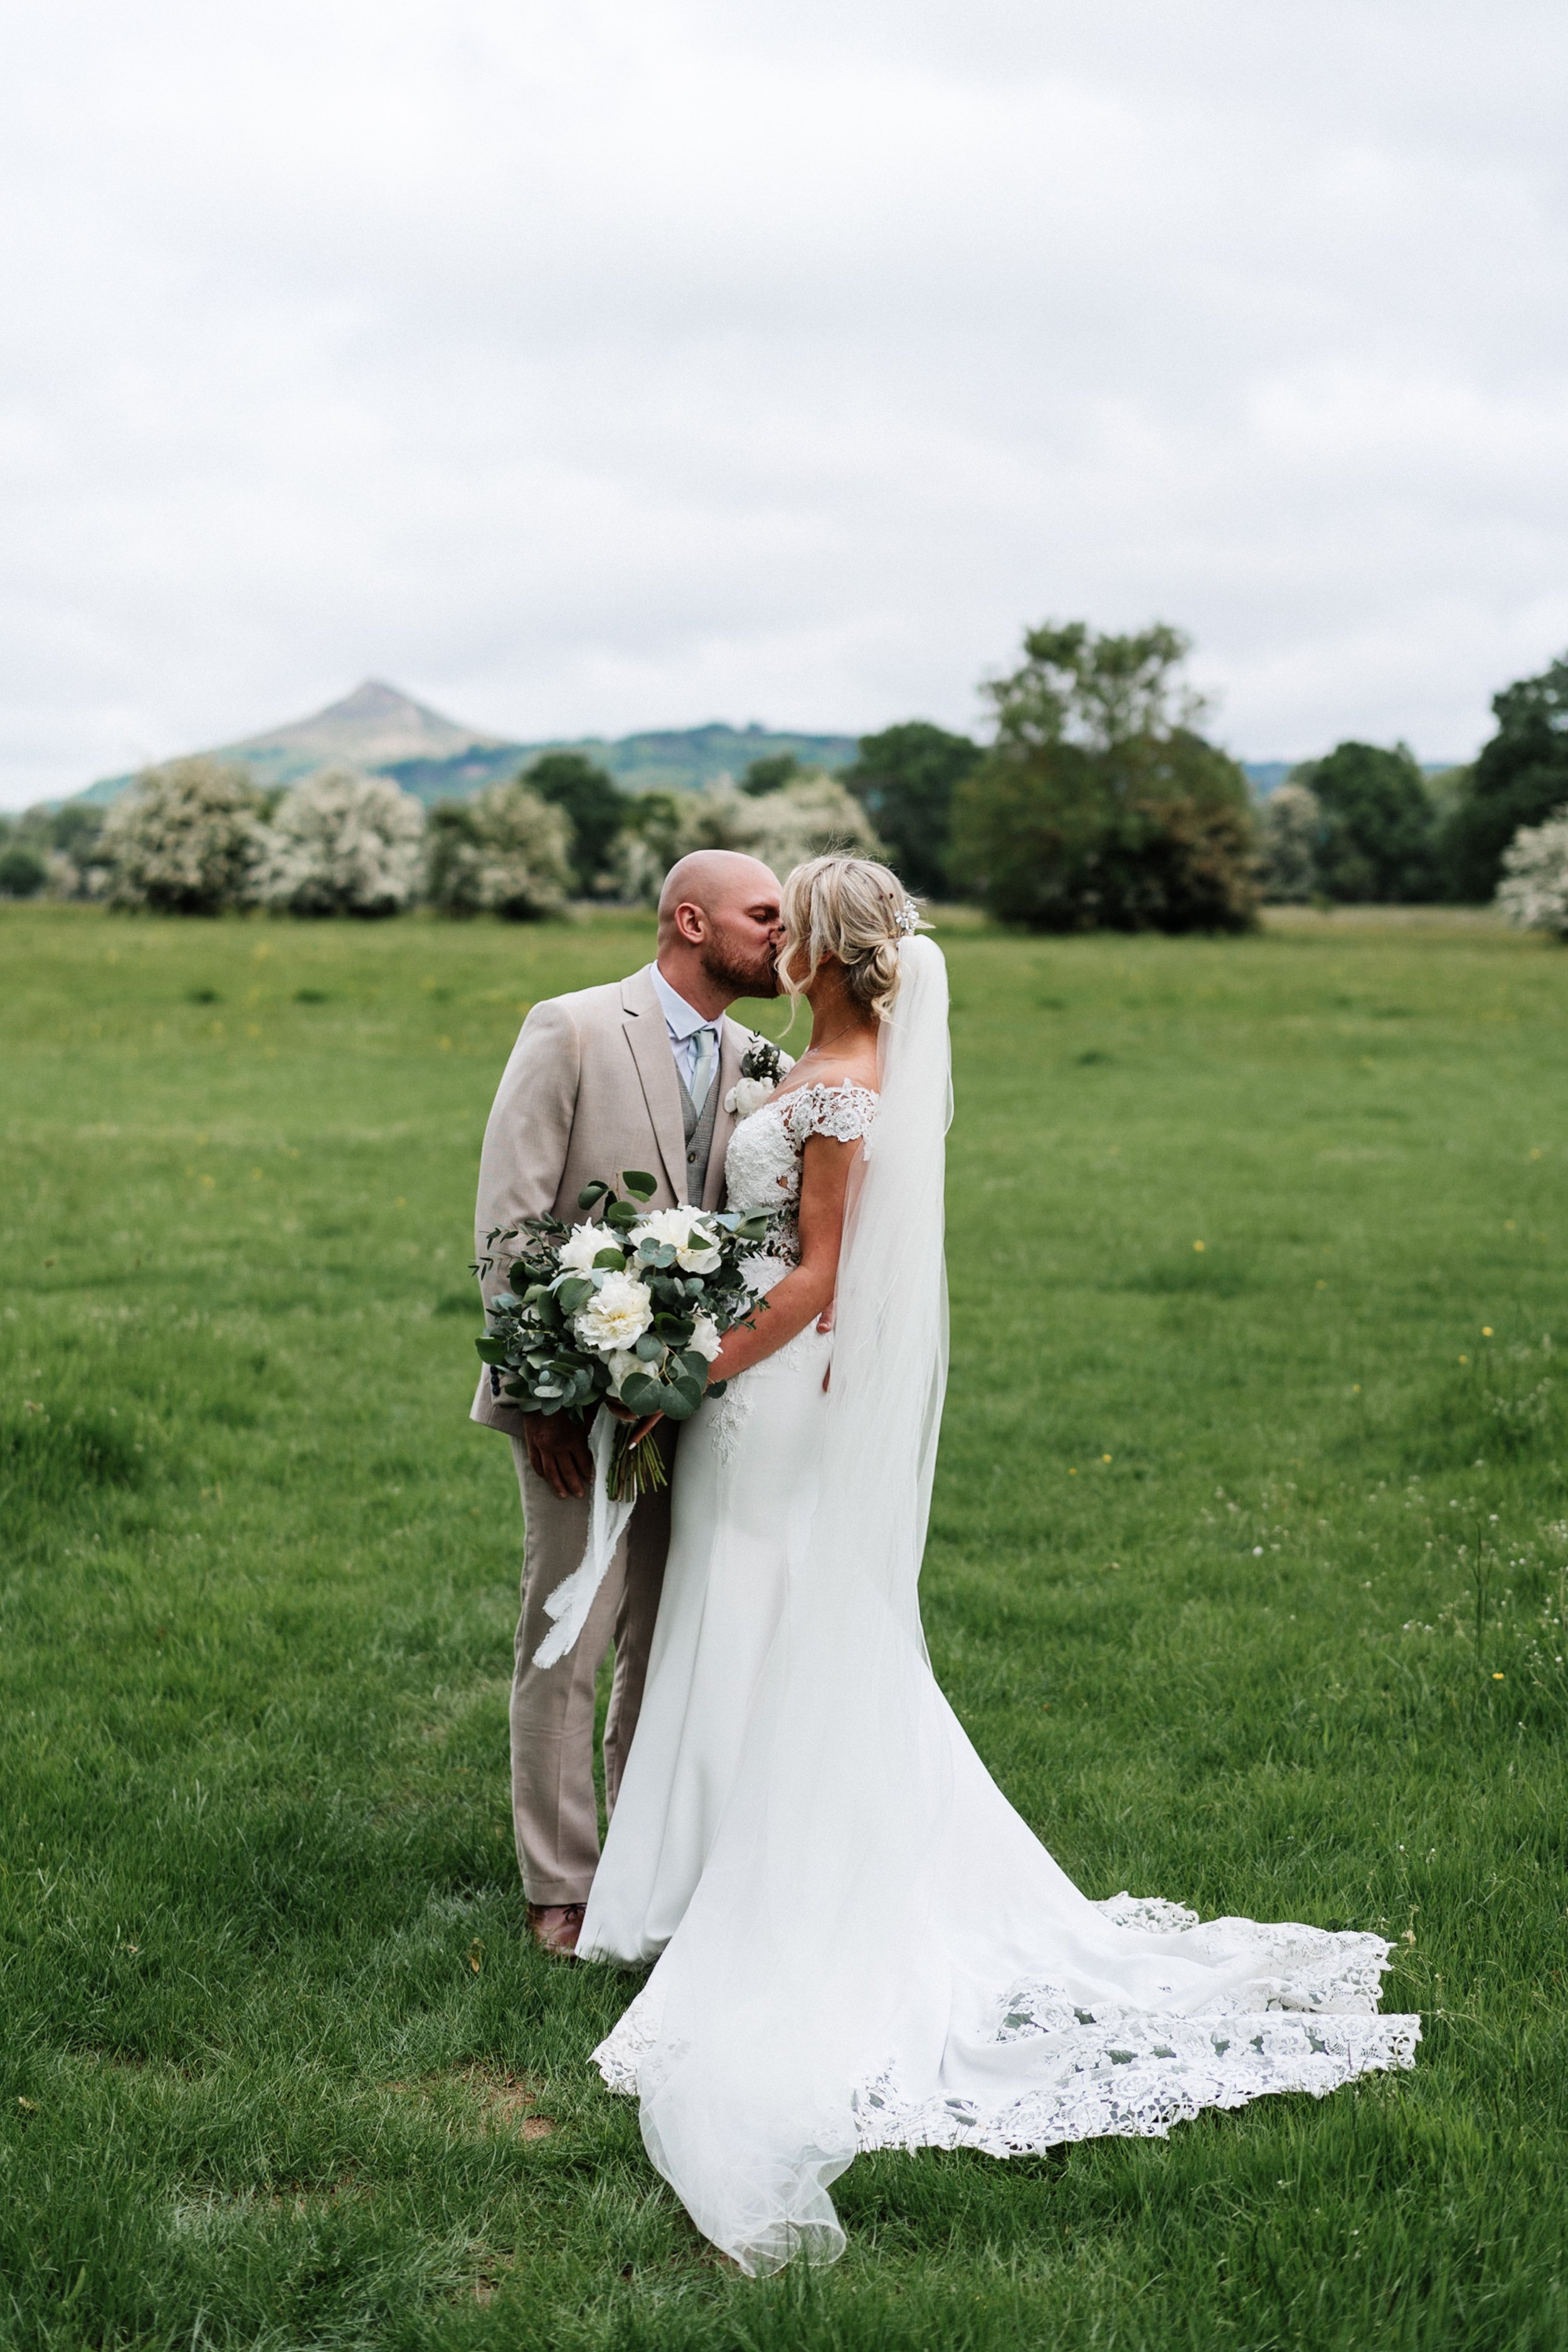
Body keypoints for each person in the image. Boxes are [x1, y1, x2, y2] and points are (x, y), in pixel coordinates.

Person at [575, 853, 1422, 2275]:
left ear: (828, 951)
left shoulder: (841, 1086)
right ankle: (703, 1868)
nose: (775, 932)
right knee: (743, 1616)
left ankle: (747, 1883)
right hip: (763, 1392)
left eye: (793, 918)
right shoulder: (820, 1058)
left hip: (771, 1390)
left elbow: (820, 1271)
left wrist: (688, 1368)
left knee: (759, 1619)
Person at [470, 849, 781, 1956]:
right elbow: (510, 1222)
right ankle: (559, 1885)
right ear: (691, 922)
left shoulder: (763, 1057)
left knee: (669, 1634)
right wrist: (540, 1393)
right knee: (570, 1631)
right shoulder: (573, 1027)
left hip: (700, 1400)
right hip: (577, 1395)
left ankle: (640, 1862)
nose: (783, 935)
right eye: (764, 916)